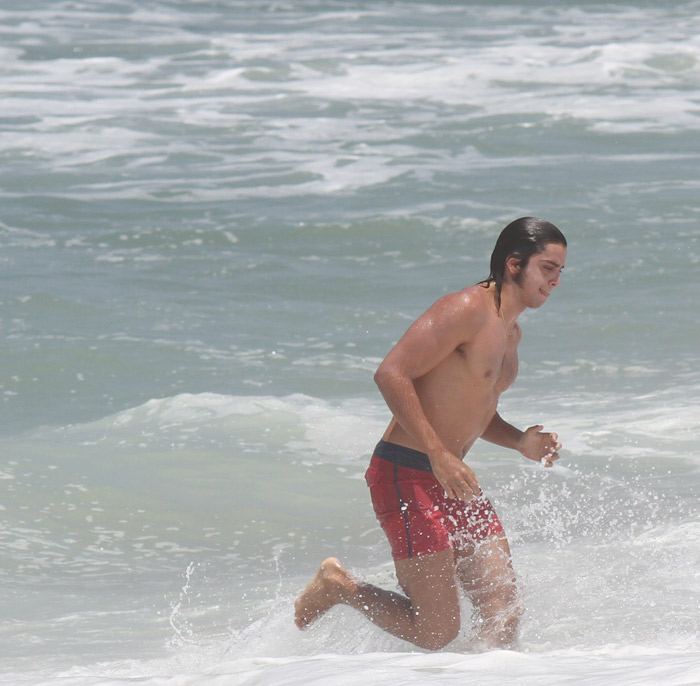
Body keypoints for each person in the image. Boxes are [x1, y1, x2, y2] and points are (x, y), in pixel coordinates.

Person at [294, 217, 567, 651]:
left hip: (454, 479)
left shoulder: (511, 334)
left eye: (559, 272)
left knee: (504, 608)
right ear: (514, 264)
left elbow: (474, 406)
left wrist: (519, 441)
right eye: (548, 268)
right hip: (407, 473)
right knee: (436, 631)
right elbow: (391, 373)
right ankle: (340, 586)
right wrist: (439, 454)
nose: (555, 281)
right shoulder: (465, 309)